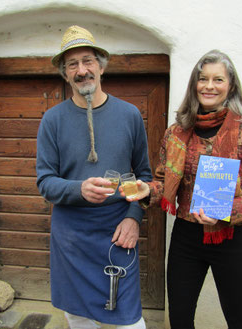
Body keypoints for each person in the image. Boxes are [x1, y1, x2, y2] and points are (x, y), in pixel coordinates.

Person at [120, 49, 242, 329]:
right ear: (194, 85)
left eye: (218, 79)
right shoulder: (177, 132)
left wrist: (226, 210)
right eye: (203, 79)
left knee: (239, 321)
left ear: (230, 85)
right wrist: (146, 189)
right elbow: (162, 181)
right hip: (187, 237)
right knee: (180, 319)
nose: (209, 86)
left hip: (234, 238)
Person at [36, 25, 152, 329]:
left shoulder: (129, 115)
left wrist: (133, 217)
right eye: (72, 64)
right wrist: (79, 189)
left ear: (101, 66)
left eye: (87, 61)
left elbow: (143, 177)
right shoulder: (52, 120)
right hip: (71, 236)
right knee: (77, 317)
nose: (82, 70)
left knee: (130, 322)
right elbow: (45, 182)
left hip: (118, 231)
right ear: (64, 74)